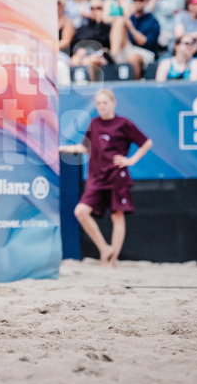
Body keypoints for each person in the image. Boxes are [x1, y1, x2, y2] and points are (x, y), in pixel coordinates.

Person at [59, 89, 152, 267]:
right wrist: (62, 149)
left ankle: (111, 262)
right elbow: (85, 148)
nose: (102, 106)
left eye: (105, 103)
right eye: (99, 103)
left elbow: (146, 143)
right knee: (81, 211)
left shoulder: (123, 123)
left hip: (117, 177)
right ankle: (104, 248)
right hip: (96, 178)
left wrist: (130, 160)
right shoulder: (94, 123)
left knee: (117, 216)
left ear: (113, 103)